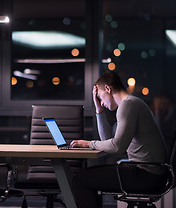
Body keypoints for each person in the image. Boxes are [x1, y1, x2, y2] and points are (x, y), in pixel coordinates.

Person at [70, 71, 168, 208]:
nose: (101, 102)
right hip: (150, 173)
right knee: (86, 178)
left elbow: (117, 147)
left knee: (80, 180)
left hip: (147, 175)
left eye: (100, 97)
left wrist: (88, 144)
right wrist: (99, 110)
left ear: (108, 89)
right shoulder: (130, 104)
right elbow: (107, 139)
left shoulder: (128, 105)